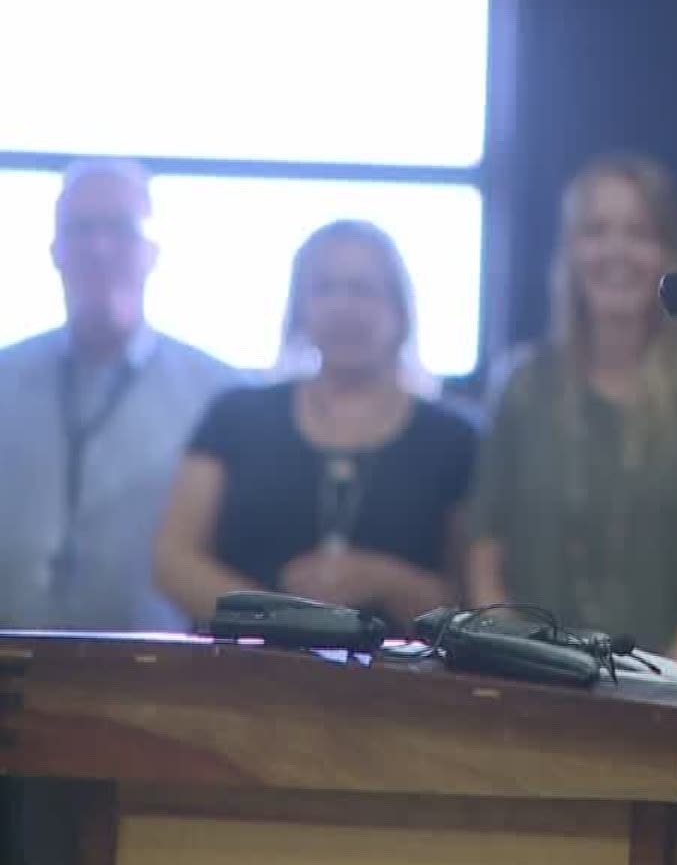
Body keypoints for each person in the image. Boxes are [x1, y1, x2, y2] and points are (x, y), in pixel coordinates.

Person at [464, 152, 677, 682]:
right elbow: (483, 552)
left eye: (640, 232)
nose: (617, 251)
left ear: (671, 251)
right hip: (535, 698)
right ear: (569, 249)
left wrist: (658, 682)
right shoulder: (522, 384)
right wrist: (522, 663)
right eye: (595, 230)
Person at [154, 218, 476, 630]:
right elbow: (173, 561)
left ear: (400, 309)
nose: (343, 306)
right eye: (324, 288)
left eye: (363, 289)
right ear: (299, 307)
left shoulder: (453, 439)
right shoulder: (236, 416)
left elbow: (469, 597)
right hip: (243, 674)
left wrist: (386, 580)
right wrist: (284, 620)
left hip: (399, 683)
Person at [0, 158, 241, 633]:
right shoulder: (4, 377)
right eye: (80, 229)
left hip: (161, 677)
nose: (99, 247)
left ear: (153, 251)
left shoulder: (222, 396)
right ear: (54, 250)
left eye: (121, 228)